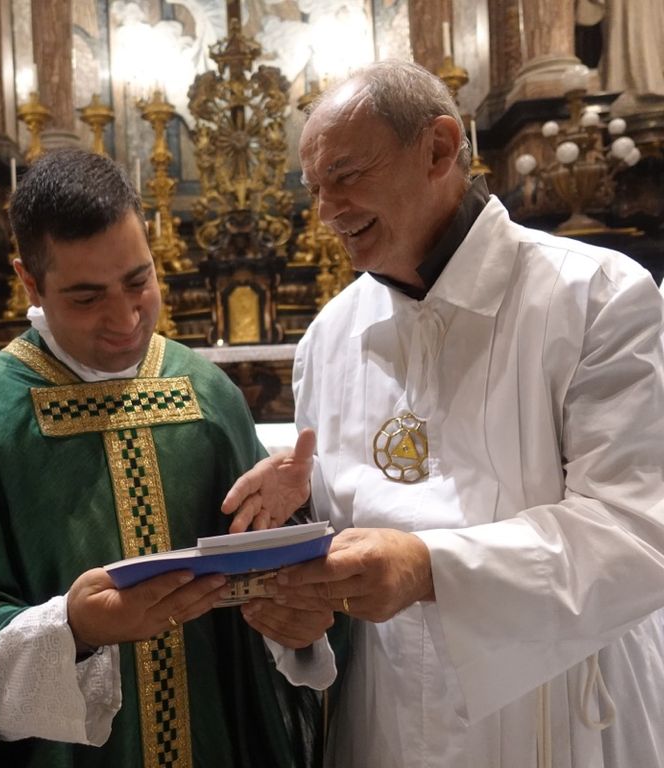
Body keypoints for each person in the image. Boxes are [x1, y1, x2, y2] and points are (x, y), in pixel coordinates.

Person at [223, 60, 664, 767]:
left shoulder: (596, 297)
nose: (327, 210)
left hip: (556, 708)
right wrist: (300, 584)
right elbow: (343, 548)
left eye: (346, 175)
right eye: (314, 188)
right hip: (386, 719)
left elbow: (637, 531)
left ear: (437, 149)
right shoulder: (328, 339)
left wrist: (431, 568)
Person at [0, 148, 335, 768]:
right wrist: (72, 630)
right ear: (30, 282)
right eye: (86, 297)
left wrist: (293, 547)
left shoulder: (206, 394)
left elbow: (268, 602)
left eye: (138, 281)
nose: (125, 319)